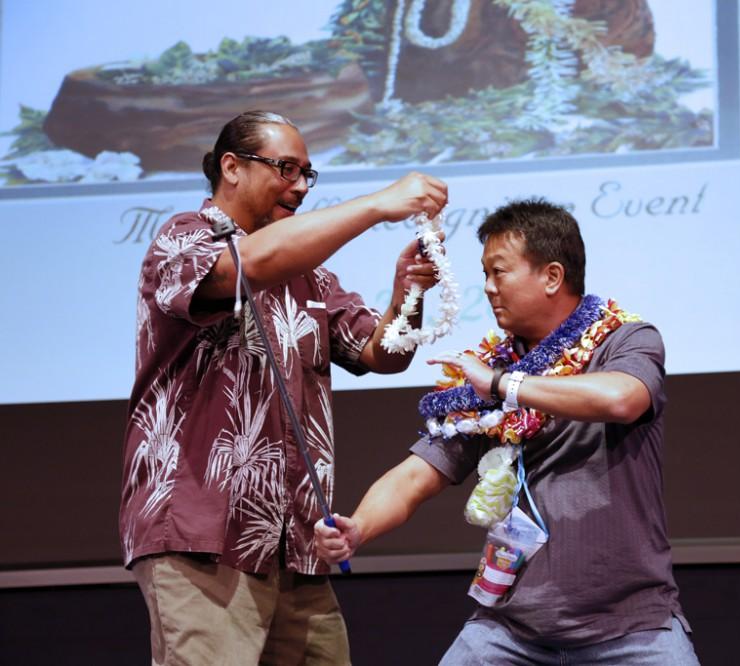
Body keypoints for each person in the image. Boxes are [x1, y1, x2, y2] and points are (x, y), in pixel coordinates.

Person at [119, 110, 447, 665]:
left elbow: (381, 355)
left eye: (306, 174)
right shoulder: (184, 237)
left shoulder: (308, 274)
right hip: (204, 534)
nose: (299, 186)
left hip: (294, 542)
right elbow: (243, 267)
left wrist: (408, 294)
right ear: (232, 167)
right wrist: (378, 204)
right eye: (285, 169)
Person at [315, 199, 700, 664]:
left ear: (552, 277)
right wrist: (358, 528)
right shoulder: (491, 367)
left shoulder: (625, 339)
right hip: (511, 630)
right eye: (485, 274)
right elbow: (417, 475)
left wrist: (504, 386)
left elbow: (623, 399)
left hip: (632, 627)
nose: (488, 287)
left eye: (499, 272)